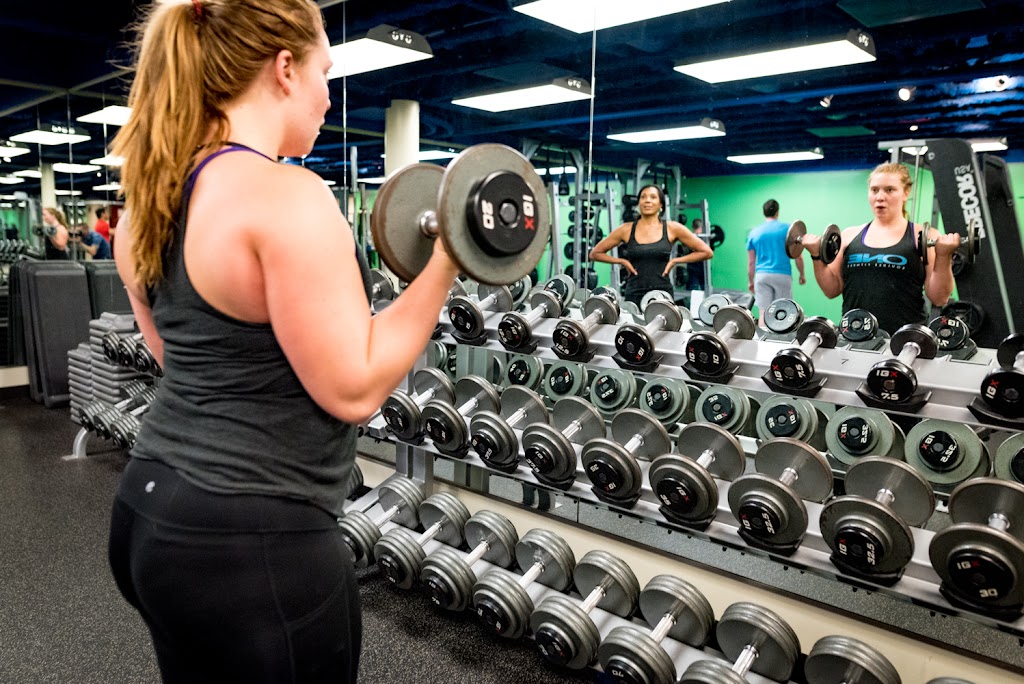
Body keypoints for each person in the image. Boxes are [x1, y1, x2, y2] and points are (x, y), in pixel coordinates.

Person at [106, 1, 459, 681]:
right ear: (285, 68)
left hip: (149, 513)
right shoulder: (285, 195)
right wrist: (448, 259)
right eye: (326, 71)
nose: (330, 95)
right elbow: (353, 386)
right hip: (253, 545)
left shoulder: (149, 203)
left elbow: (172, 359)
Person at [803, 162, 959, 334]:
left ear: (906, 193)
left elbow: (940, 297)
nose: (880, 197)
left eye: (889, 190)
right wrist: (816, 255)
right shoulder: (849, 235)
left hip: (904, 338)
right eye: (874, 190)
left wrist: (944, 256)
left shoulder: (923, 236)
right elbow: (831, 289)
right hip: (854, 335)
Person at [589, 184, 713, 306]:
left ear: (661, 205)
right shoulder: (626, 229)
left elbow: (706, 252)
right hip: (634, 292)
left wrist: (675, 261)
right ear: (638, 203)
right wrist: (622, 262)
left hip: (662, 292)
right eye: (643, 197)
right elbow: (595, 253)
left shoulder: (672, 228)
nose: (647, 200)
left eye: (653, 197)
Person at [746, 199, 804, 326]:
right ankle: (780, 341)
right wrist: (802, 274)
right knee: (784, 311)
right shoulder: (788, 230)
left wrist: (751, 281)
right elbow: (798, 256)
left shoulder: (754, 232)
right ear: (777, 212)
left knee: (763, 313)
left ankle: (764, 342)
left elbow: (751, 262)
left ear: (763, 212)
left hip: (762, 276)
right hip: (782, 275)